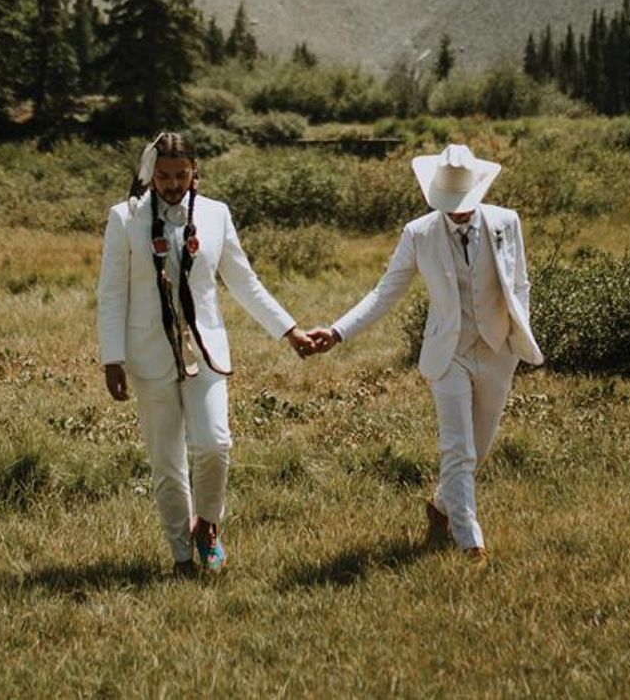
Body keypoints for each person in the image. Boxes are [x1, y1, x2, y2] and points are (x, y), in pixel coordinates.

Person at [309, 143, 543, 564]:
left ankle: (439, 507)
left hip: (497, 350)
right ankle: (471, 540)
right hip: (446, 351)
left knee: (481, 447)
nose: (459, 212)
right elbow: (384, 292)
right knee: (459, 448)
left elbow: (520, 282)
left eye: (465, 204)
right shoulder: (418, 234)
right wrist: (339, 331)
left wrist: (518, 335)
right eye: (451, 205)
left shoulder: (507, 222)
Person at [98, 130, 315, 577]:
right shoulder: (125, 218)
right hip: (149, 353)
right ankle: (181, 554)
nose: (173, 184)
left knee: (215, 444)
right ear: (149, 175)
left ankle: (208, 526)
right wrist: (112, 357)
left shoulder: (216, 215)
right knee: (167, 460)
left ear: (196, 173)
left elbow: (243, 281)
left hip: (206, 351)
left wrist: (289, 330)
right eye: (163, 176)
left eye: (181, 175)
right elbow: (111, 293)